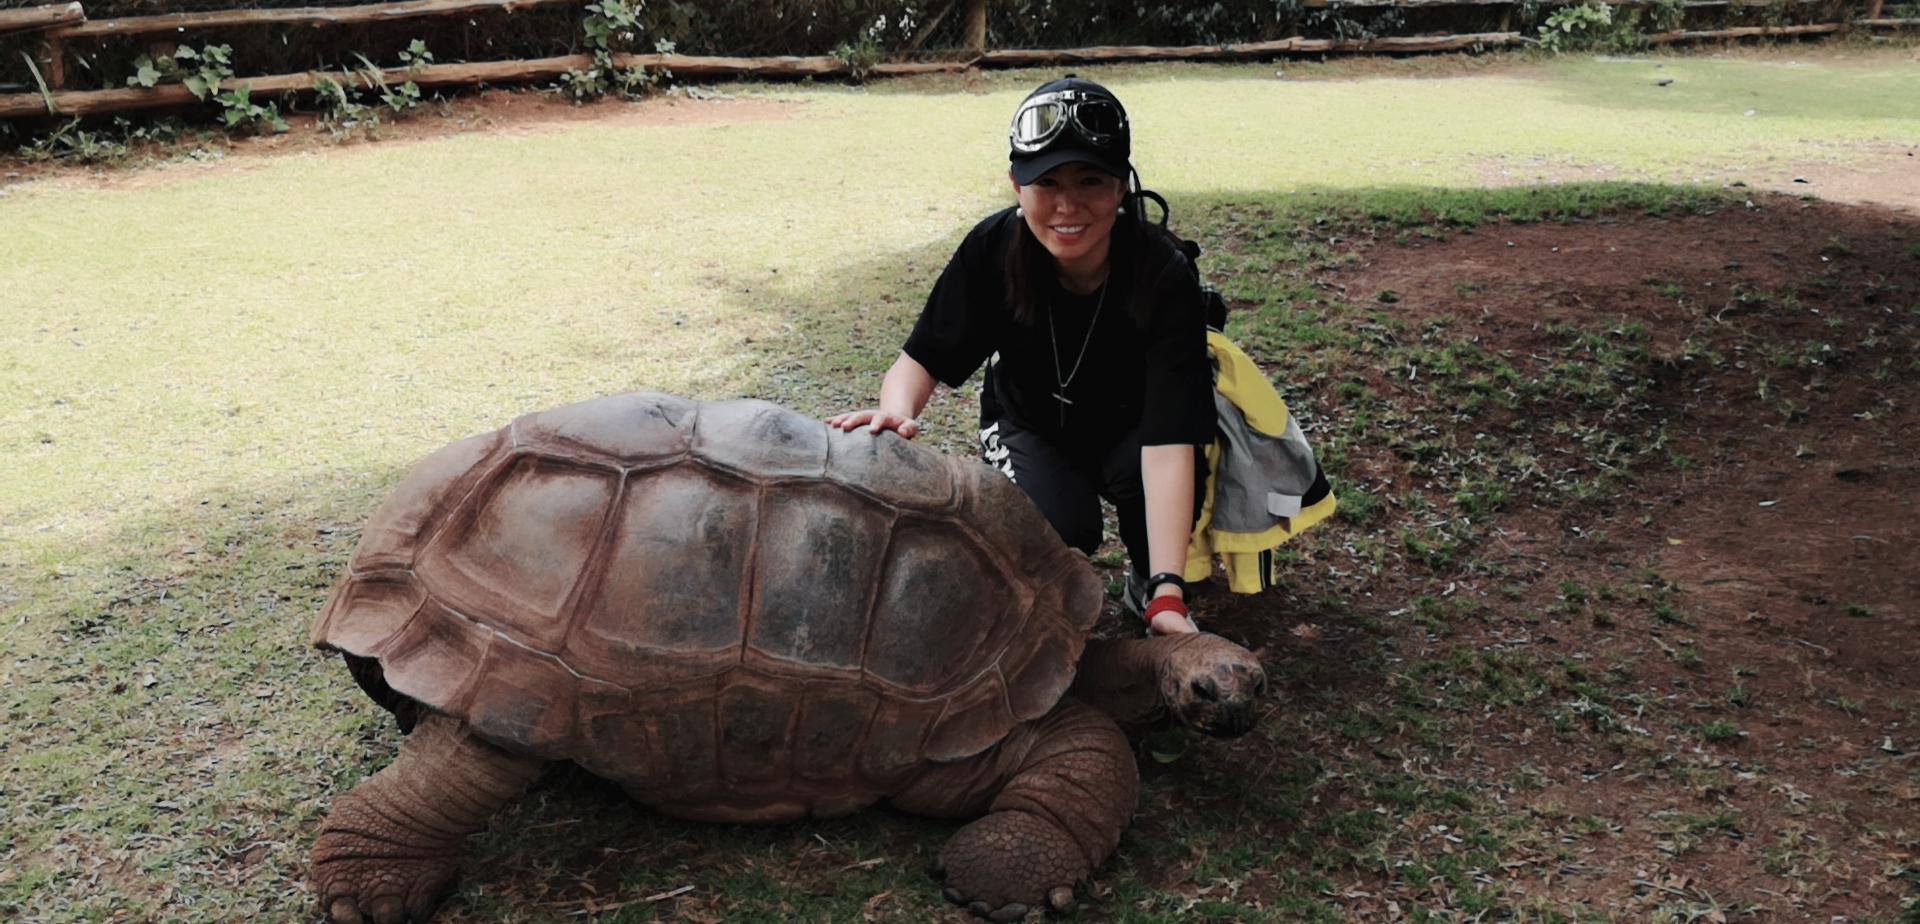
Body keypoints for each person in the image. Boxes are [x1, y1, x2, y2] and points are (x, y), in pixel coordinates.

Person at [827, 76, 1214, 637]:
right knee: (1060, 529)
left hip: (1134, 429)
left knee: (1148, 468)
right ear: (1015, 184)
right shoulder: (993, 249)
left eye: (1091, 181)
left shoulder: (1163, 273)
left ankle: (1147, 580)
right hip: (1030, 424)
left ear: (1123, 185)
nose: (1067, 205)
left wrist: (1170, 595)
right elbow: (920, 360)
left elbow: (1169, 440)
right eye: (1045, 182)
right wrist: (898, 412)